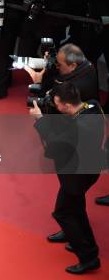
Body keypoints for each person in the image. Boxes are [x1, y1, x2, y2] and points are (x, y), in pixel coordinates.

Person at [31, 82, 104, 274]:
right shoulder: (93, 106)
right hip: (90, 168)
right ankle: (74, 236)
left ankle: (88, 257)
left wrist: (40, 120)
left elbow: (53, 146)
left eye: (57, 104)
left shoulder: (75, 130)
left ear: (67, 105)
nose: (56, 106)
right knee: (76, 205)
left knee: (63, 212)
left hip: (75, 176)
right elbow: (69, 125)